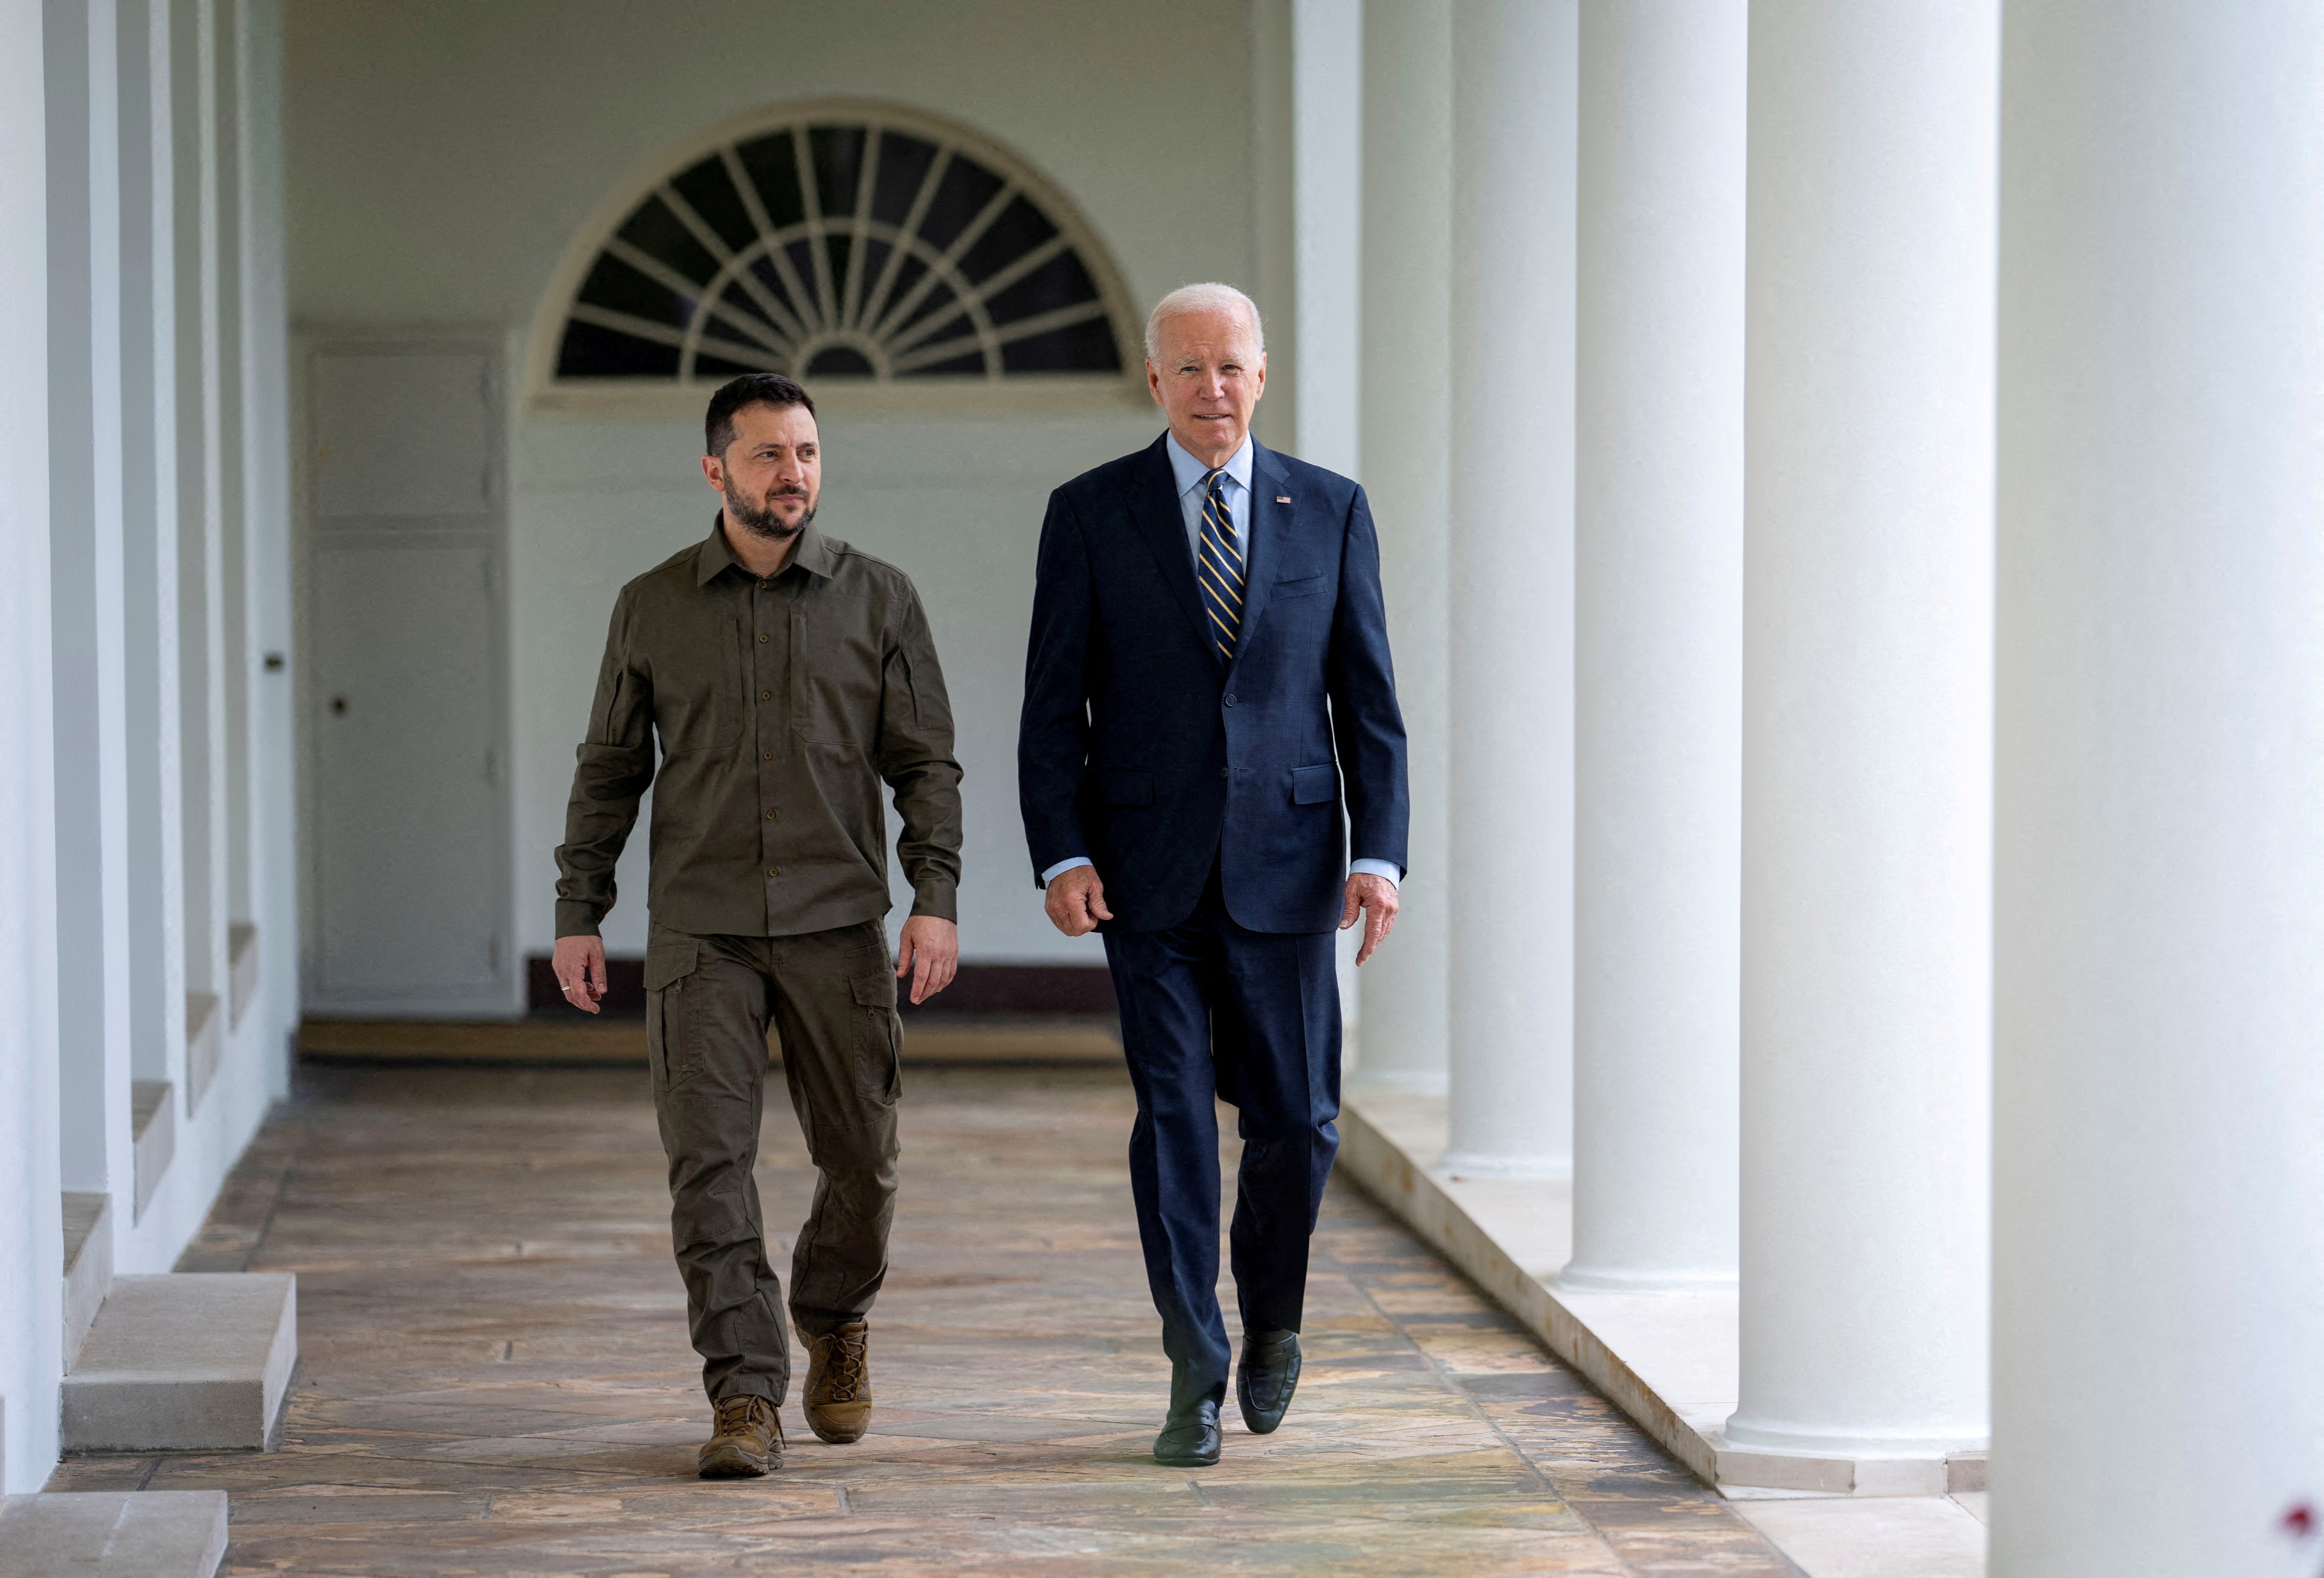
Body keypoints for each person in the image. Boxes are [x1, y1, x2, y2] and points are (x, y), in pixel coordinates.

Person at [1016, 283, 1409, 1467]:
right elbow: (1050, 709)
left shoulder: (1330, 510)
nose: (1212, 389)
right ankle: (1194, 1360)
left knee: (1297, 1123)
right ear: (1153, 381)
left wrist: (1379, 853)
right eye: (1187, 369)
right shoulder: (1089, 513)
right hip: (1146, 875)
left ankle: (1273, 1320)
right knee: (1177, 1118)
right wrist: (1064, 849)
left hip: (1291, 871)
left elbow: (1369, 705)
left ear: (1262, 372)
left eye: (1230, 366)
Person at [551, 372, 963, 1479]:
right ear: (715, 469)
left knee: (864, 1160)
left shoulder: (881, 599)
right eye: (771, 454)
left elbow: (925, 765)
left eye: (809, 454)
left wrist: (935, 898)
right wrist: (578, 910)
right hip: (703, 930)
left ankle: (833, 1315)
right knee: (709, 1166)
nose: (795, 474)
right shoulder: (652, 605)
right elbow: (609, 771)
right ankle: (743, 1394)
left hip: (839, 923)